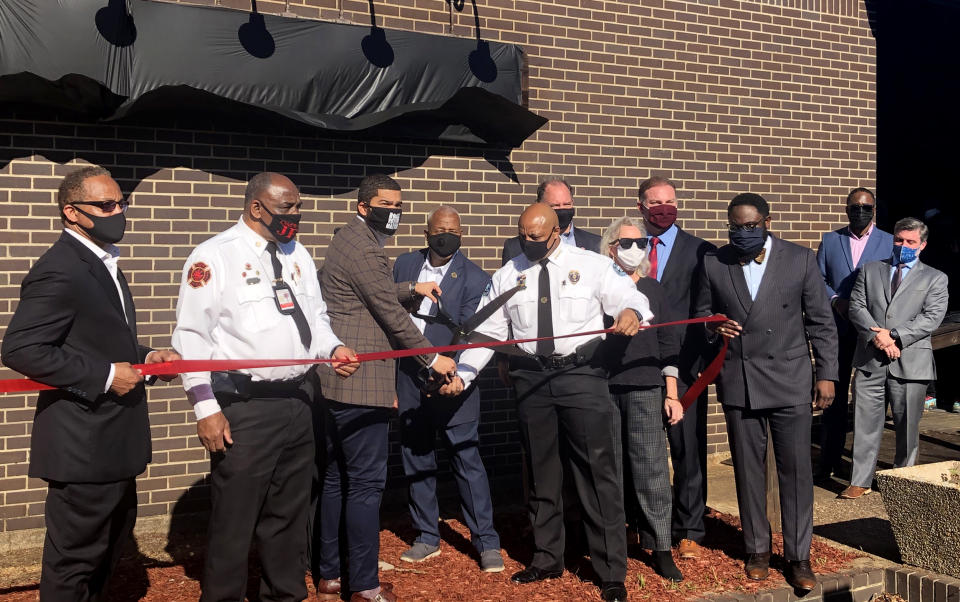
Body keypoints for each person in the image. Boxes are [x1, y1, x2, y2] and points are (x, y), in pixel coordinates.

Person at [171, 172, 359, 602]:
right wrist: (205, 408)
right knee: (234, 523)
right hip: (245, 407)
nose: (297, 216)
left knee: (289, 518)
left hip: (299, 400)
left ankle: (284, 596)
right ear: (257, 207)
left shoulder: (297, 253)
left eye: (298, 207)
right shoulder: (214, 257)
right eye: (288, 207)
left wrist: (332, 348)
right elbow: (190, 338)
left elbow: (316, 317)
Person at [451, 203, 653, 602]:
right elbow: (488, 334)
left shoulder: (592, 264)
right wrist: (463, 374)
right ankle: (547, 558)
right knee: (542, 473)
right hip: (530, 378)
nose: (528, 243)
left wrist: (630, 312)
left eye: (536, 237)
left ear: (556, 233)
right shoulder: (510, 273)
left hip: (580, 375)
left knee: (597, 474)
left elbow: (630, 298)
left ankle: (610, 570)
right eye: (522, 235)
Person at [1, 166, 180, 601]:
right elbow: (21, 348)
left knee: (106, 554)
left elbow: (98, 339)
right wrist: (104, 377)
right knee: (74, 565)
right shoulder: (60, 268)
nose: (117, 212)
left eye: (121, 203)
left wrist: (144, 357)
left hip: (115, 444)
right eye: (105, 205)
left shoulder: (103, 263)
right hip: (82, 448)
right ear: (72, 212)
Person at [316, 174, 459, 602]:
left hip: (337, 384)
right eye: (385, 204)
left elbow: (368, 293)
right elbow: (387, 314)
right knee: (364, 485)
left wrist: (411, 289)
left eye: (398, 204)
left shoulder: (349, 240)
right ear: (363, 206)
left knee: (336, 480)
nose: (393, 212)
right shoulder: (365, 246)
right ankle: (364, 585)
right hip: (360, 383)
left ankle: (329, 575)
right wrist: (433, 358)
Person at [694, 193, 837, 591]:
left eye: (751, 226)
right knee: (748, 470)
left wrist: (827, 374)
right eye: (735, 227)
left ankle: (798, 556)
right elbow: (703, 317)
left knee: (795, 471)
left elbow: (821, 322)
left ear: (767, 222)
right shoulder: (713, 262)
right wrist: (711, 327)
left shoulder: (800, 259)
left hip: (790, 378)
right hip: (741, 381)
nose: (743, 233)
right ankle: (756, 549)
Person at [392, 206, 503, 572]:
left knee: (466, 459)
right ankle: (427, 536)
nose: (446, 235)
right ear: (426, 232)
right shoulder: (404, 266)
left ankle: (485, 541)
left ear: (462, 235)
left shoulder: (474, 278)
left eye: (453, 230)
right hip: (409, 378)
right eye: (440, 229)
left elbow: (474, 333)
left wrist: (459, 375)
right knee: (416, 457)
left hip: (454, 382)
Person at [599, 216, 684, 582]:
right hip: (603, 388)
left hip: (646, 387)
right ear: (610, 248)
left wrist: (672, 393)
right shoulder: (598, 287)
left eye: (639, 243)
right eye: (625, 243)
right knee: (610, 470)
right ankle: (615, 542)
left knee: (651, 467)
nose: (633, 250)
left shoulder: (654, 288)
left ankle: (661, 547)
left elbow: (669, 347)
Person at [635, 176, 716, 559]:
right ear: (641, 207)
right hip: (638, 362)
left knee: (687, 450)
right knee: (641, 449)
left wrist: (701, 363)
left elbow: (706, 309)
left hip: (684, 367)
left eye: (670, 201)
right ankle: (646, 524)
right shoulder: (628, 247)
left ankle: (690, 529)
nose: (664, 208)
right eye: (655, 202)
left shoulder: (701, 251)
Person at [841, 217, 949, 499]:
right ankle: (860, 480)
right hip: (870, 360)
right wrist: (878, 337)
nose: (904, 246)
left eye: (910, 242)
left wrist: (896, 336)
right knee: (865, 423)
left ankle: (903, 482)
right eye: (899, 240)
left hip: (911, 362)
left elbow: (931, 318)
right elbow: (857, 306)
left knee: (907, 427)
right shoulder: (870, 270)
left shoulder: (935, 278)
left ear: (922, 245)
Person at [815, 187, 894, 481]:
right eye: (855, 206)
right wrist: (836, 300)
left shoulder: (888, 241)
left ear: (874, 209)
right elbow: (819, 277)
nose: (860, 211)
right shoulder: (831, 240)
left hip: (871, 331)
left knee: (870, 401)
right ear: (847, 208)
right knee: (832, 399)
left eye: (866, 207)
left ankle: (865, 470)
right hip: (838, 328)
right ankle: (827, 461)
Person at [501, 177, 601, 264]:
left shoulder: (596, 244)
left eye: (567, 204)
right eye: (555, 205)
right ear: (539, 204)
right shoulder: (514, 248)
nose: (562, 209)